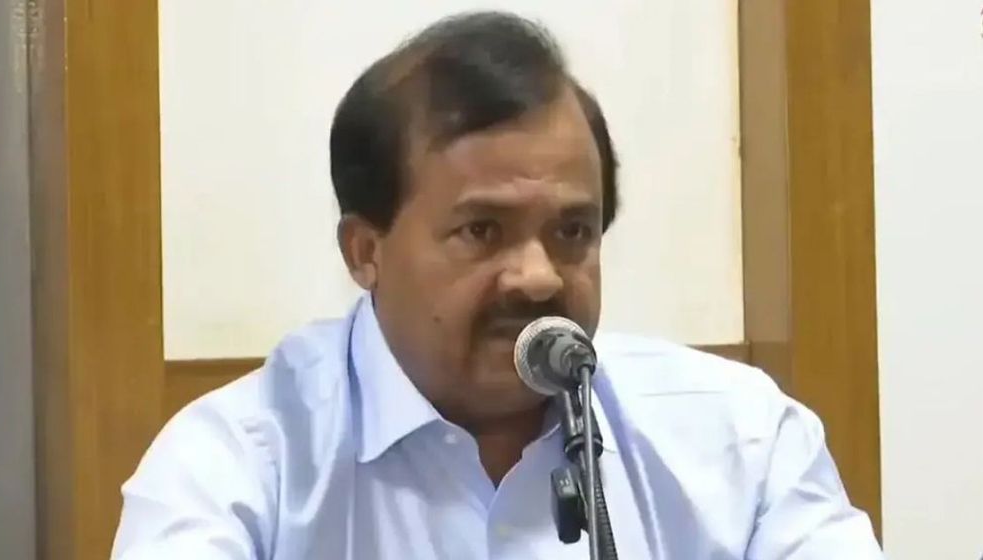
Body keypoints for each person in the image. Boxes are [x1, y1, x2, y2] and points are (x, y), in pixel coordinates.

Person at [112, 11, 883, 559]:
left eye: (572, 231)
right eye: (482, 231)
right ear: (364, 250)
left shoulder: (738, 439)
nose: (538, 277)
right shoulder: (237, 468)